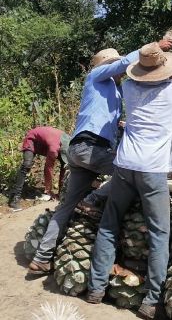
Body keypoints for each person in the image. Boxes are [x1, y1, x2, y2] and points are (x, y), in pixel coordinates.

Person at [86, 42, 172, 320]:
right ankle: (150, 302)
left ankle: (95, 289)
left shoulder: (128, 88)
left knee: (109, 223)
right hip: (153, 169)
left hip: (124, 164)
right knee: (159, 233)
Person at [27, 48, 138, 275]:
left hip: (82, 152)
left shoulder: (114, 91)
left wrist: (121, 125)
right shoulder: (96, 76)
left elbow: (105, 120)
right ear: (108, 65)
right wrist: (151, 48)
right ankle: (93, 198)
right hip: (90, 148)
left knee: (66, 206)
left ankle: (42, 258)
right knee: (132, 171)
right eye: (117, 66)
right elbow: (124, 62)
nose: (122, 71)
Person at [9, 126, 70, 211]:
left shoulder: (68, 142)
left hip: (45, 142)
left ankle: (61, 193)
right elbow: (48, 168)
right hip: (33, 139)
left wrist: (61, 193)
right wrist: (49, 190)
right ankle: (14, 198)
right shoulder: (54, 148)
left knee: (65, 165)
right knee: (26, 165)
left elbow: (65, 169)